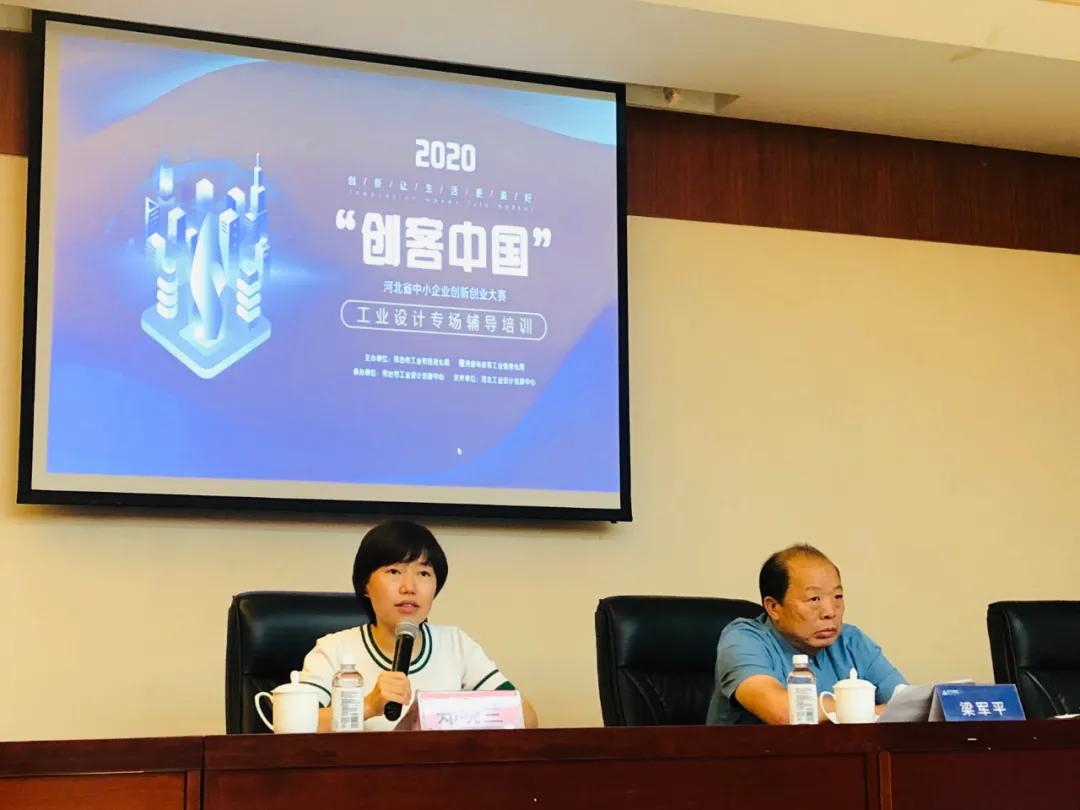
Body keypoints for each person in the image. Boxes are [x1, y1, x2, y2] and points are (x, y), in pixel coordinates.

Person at [300, 520, 539, 731]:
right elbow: (293, 723)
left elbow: (526, 718)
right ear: (366, 586)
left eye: (423, 573)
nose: (409, 587)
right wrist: (368, 706)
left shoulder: (456, 644)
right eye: (394, 571)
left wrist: (454, 714)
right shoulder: (333, 649)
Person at [706, 544, 905, 725]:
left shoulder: (851, 641)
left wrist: (860, 711)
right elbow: (783, 712)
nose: (830, 612)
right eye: (814, 599)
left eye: (837, 596)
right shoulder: (743, 639)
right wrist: (861, 709)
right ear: (774, 607)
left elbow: (907, 708)